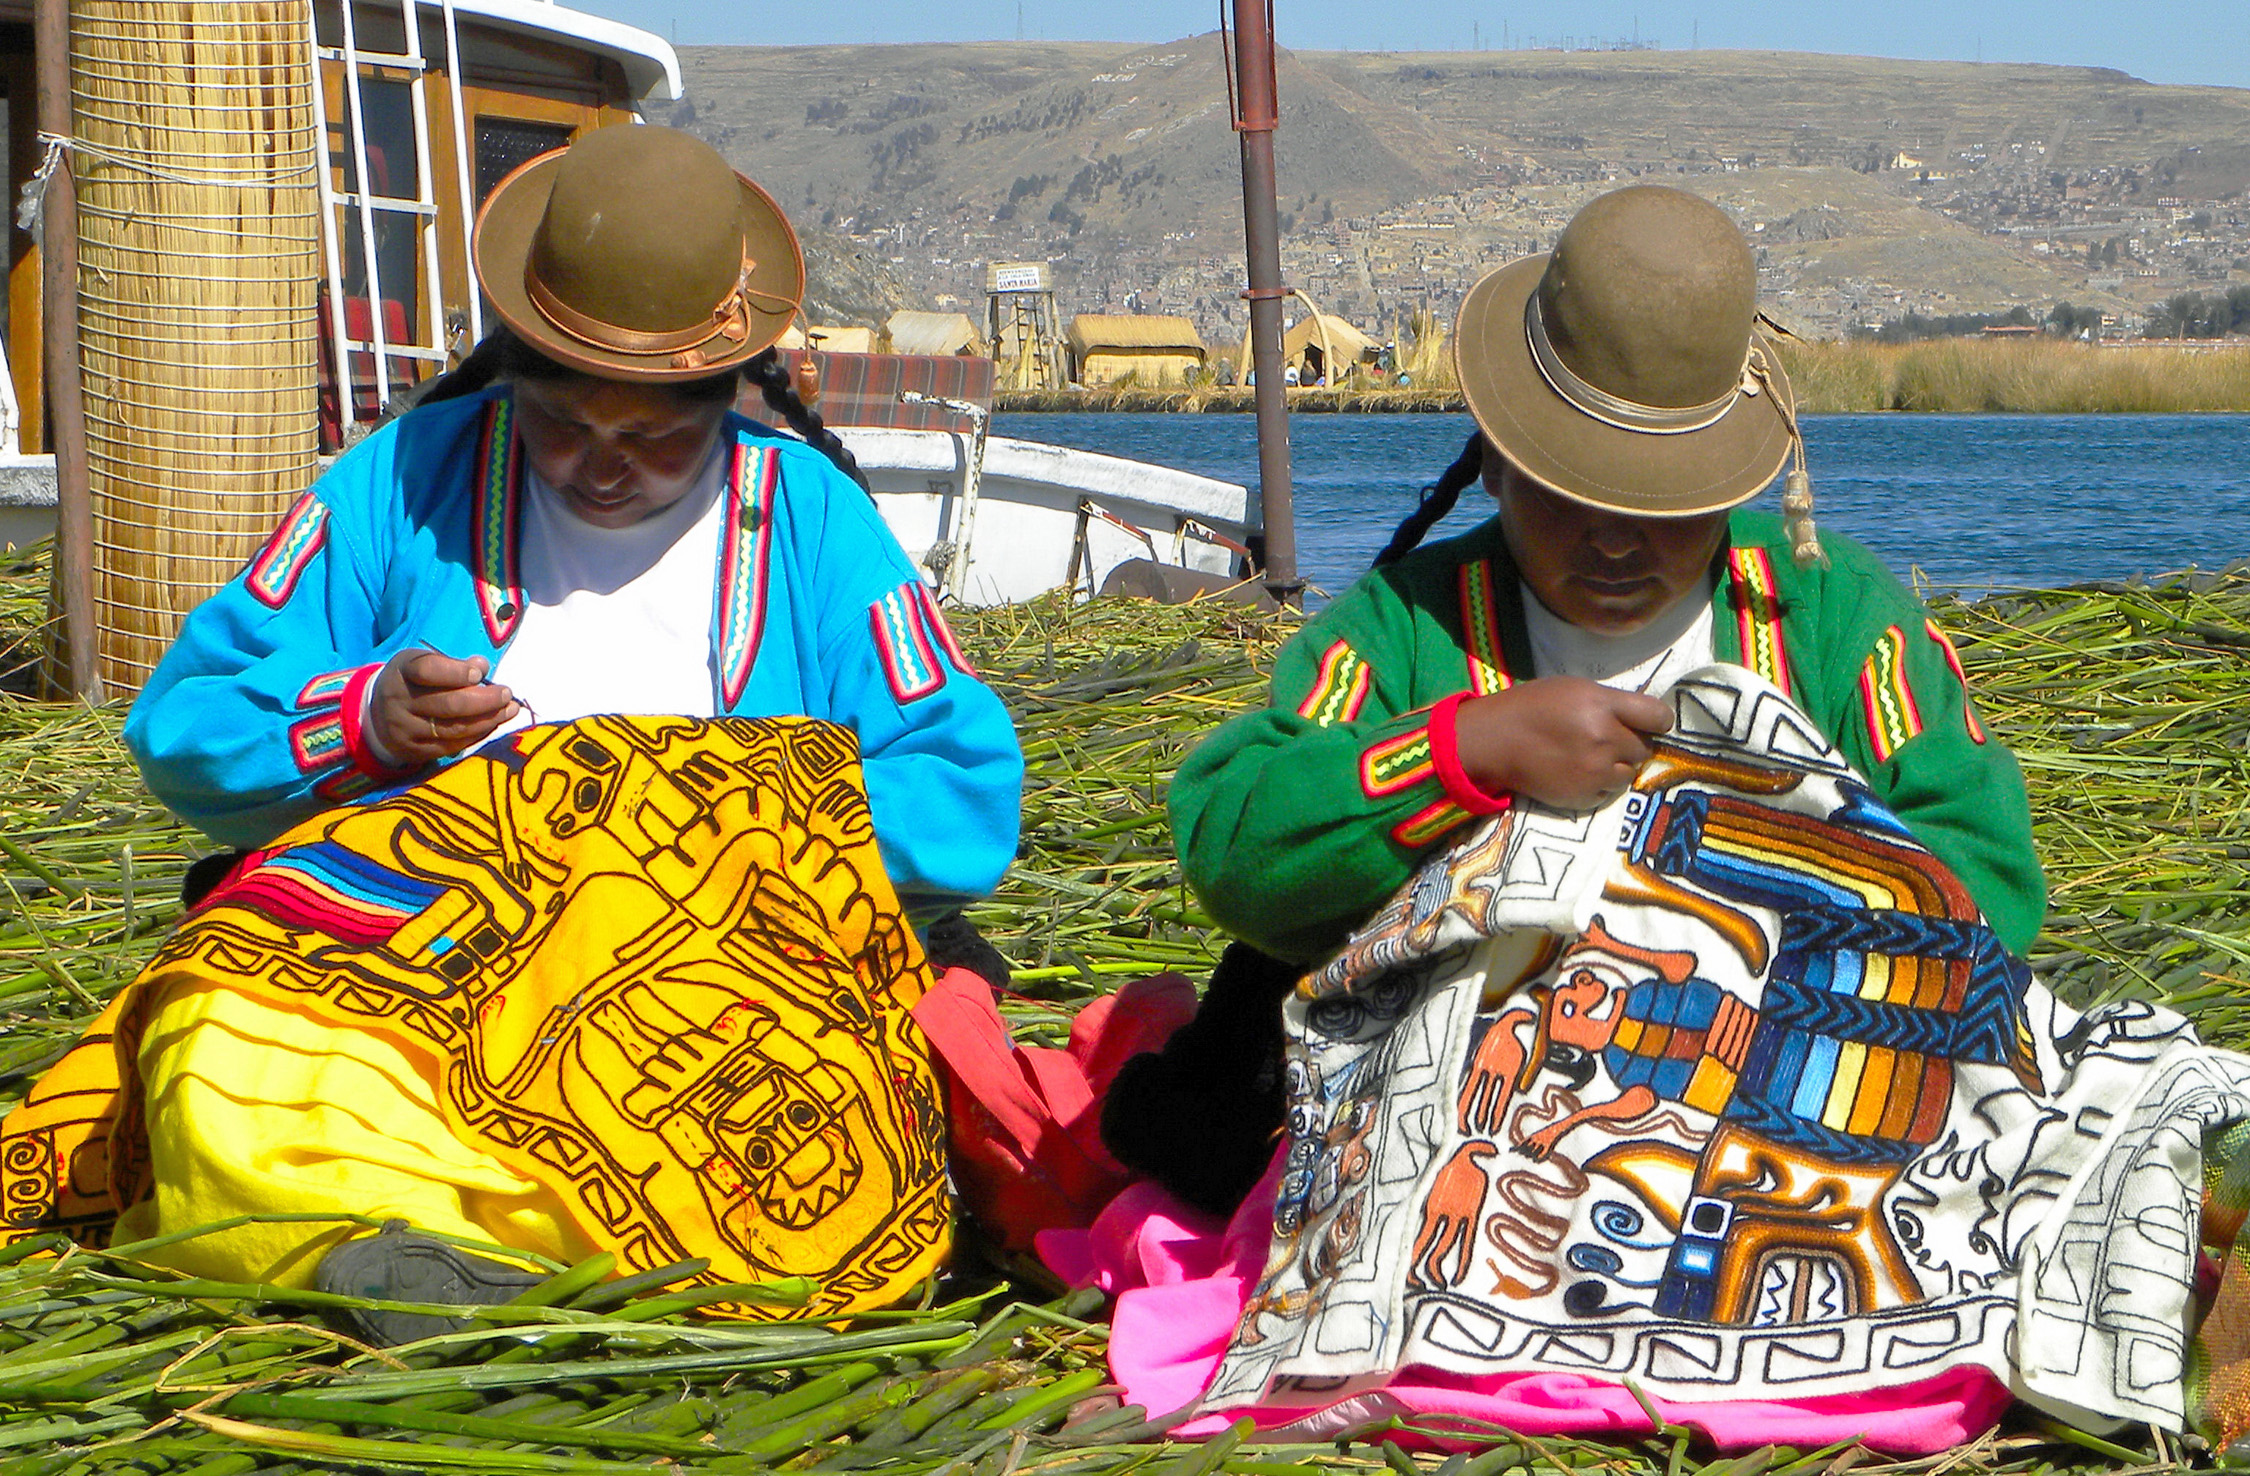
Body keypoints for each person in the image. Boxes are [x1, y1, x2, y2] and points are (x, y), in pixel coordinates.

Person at [1072, 186, 2250, 1455]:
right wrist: (1468, 754)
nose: (1618, 539)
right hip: (1485, 1118)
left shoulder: (1830, 615)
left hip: (1766, 1126)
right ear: (1498, 449)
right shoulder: (1413, 625)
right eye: (1572, 490)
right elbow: (1231, 836)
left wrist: (1741, 888)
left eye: (1667, 500)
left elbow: (1986, 881)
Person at [0, 126, 1023, 1339]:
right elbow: (184, 722)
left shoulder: (808, 520)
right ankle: (423, 1258)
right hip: (405, 958)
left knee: (778, 1145)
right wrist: (360, 721)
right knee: (213, 1044)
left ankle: (436, 1251)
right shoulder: (400, 483)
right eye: (562, 428)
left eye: (652, 439)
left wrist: (707, 813)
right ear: (515, 369)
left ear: (730, 397)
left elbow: (964, 792)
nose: (600, 472)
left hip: (694, 994)